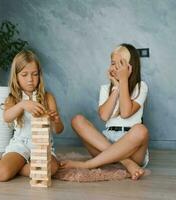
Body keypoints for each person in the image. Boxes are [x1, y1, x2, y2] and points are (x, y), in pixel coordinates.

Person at [0, 50, 64, 181]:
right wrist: (22, 105)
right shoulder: (13, 99)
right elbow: (6, 117)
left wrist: (56, 121)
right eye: (24, 75)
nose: (30, 80)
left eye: (35, 74)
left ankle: (13, 167)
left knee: (52, 169)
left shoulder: (48, 97)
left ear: (40, 75)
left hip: (43, 146)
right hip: (20, 144)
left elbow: (58, 130)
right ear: (16, 76)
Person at [60, 43, 149, 180]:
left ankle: (88, 164)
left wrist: (124, 80)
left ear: (130, 67)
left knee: (141, 130)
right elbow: (104, 116)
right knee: (77, 120)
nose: (114, 68)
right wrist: (116, 88)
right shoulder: (105, 88)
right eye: (112, 63)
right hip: (106, 143)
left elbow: (125, 113)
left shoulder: (141, 86)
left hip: (132, 147)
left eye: (119, 64)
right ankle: (126, 162)